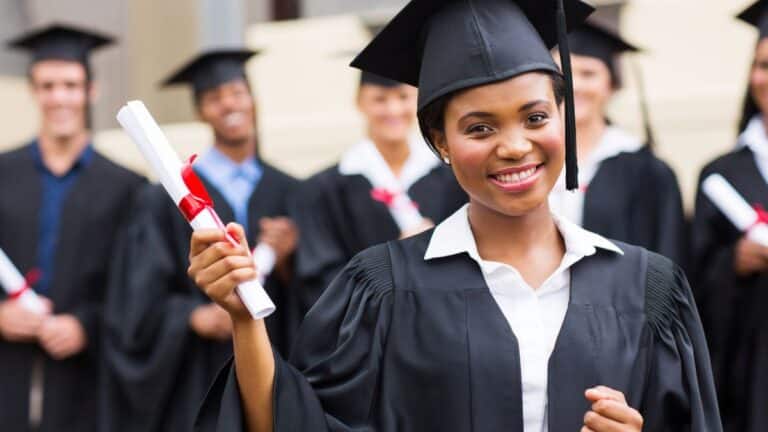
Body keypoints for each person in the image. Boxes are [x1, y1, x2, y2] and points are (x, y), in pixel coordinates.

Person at [190, 0, 721, 431]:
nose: (515, 146)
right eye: (480, 128)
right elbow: (295, 423)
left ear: (565, 115)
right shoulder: (382, 289)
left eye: (535, 117)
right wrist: (244, 318)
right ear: (440, 141)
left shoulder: (648, 289)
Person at [101, 50, 300, 432]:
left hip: (275, 368)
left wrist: (290, 260)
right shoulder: (163, 200)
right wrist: (191, 317)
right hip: (194, 377)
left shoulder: (291, 191)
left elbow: (319, 296)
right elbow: (136, 297)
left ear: (253, 101)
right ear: (200, 112)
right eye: (214, 97)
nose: (228, 103)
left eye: (237, 92)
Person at [0, 24, 144, 431]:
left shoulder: (127, 187)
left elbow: (136, 286)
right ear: (33, 90)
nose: (58, 97)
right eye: (47, 86)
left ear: (90, 91)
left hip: (87, 379)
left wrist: (87, 325)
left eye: (70, 85)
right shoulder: (2, 173)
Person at [294, 69, 466, 311]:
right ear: (359, 102)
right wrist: (394, 265)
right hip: (371, 334)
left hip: (447, 319)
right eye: (380, 99)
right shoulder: (324, 190)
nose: (393, 110)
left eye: (403, 97)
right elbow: (323, 283)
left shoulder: (455, 179)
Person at [548, 18, 686, 266]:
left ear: (612, 84)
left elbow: (668, 262)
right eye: (562, 73)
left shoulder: (649, 172)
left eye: (588, 73)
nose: (574, 85)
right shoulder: (527, 162)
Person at [691, 1, 768, 430]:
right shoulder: (721, 174)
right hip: (749, 370)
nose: (766, 77)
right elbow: (694, 278)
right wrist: (736, 261)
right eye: (761, 65)